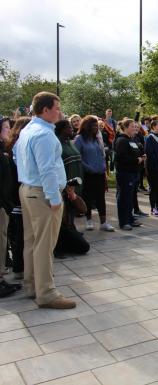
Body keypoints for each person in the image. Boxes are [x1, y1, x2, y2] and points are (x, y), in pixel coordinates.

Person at [14, 92, 75, 309]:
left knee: (32, 242)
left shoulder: (28, 130)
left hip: (28, 189)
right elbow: (47, 168)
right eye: (57, 107)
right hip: (42, 193)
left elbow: (16, 156)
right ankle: (46, 293)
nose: (60, 111)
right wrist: (54, 197)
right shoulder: (44, 135)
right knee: (44, 245)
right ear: (46, 109)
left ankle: (32, 286)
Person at [53, 119, 90, 256]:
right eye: (68, 127)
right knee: (61, 217)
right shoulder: (57, 143)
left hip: (74, 184)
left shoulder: (69, 142)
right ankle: (58, 246)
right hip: (63, 185)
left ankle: (70, 233)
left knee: (72, 213)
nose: (72, 129)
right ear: (61, 129)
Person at [74, 116, 114, 232]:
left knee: (100, 197)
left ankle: (103, 222)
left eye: (97, 126)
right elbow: (77, 157)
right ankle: (89, 220)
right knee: (87, 197)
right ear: (87, 126)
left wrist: (103, 167)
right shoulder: (79, 139)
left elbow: (101, 154)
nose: (96, 128)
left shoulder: (96, 139)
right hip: (88, 174)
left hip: (100, 173)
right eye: (93, 126)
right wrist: (88, 167)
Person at [6, 117, 30, 282]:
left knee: (22, 233)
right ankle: (19, 267)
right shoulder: (16, 147)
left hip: (19, 194)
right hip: (15, 195)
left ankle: (22, 266)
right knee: (19, 233)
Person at [0, 118, 22, 297]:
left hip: (5, 204)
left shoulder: (3, 151)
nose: (9, 130)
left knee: (3, 239)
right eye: (6, 127)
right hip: (2, 203)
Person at [115, 119, 146, 230]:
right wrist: (136, 160)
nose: (135, 128)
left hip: (133, 173)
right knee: (124, 198)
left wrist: (142, 156)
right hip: (125, 173)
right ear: (126, 127)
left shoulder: (131, 140)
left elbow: (137, 151)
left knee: (129, 198)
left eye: (135, 126)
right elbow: (120, 158)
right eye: (133, 126)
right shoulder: (121, 140)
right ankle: (124, 222)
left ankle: (130, 218)